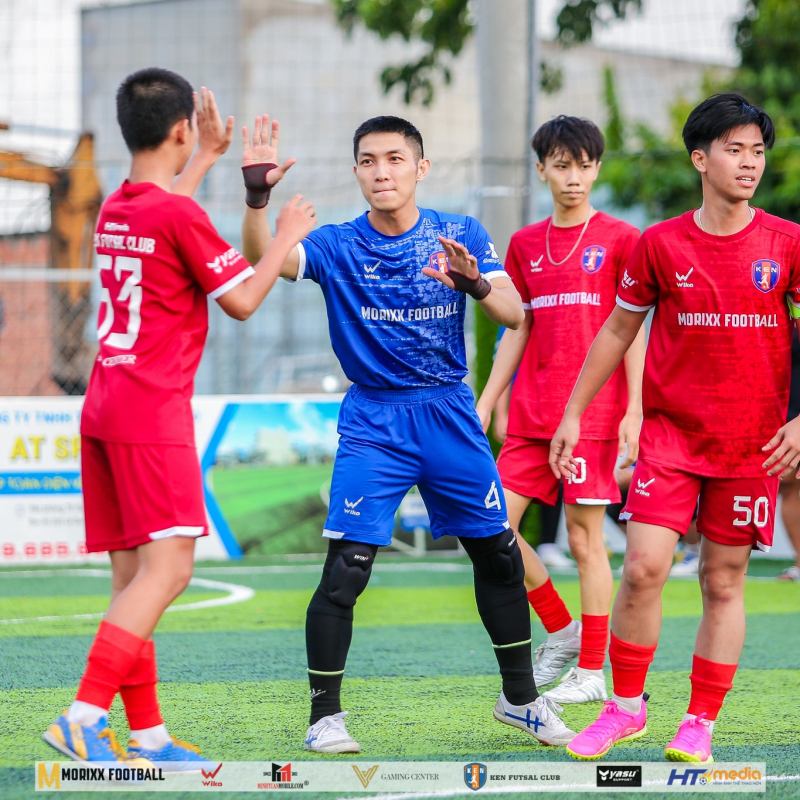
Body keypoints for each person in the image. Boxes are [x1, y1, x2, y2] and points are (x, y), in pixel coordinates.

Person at [241, 114, 575, 753]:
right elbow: (267, 257)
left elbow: (514, 314)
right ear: (357, 172)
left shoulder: (459, 233)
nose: (381, 171)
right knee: (347, 569)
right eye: (368, 161)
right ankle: (324, 717)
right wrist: (259, 199)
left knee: (499, 556)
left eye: (395, 159)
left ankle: (522, 702)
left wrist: (473, 280)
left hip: (448, 411)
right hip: (375, 418)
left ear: (420, 169)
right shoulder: (339, 244)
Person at [42, 67, 315, 765]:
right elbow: (244, 299)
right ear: (179, 128)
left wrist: (205, 159)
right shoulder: (176, 214)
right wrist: (284, 233)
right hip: (149, 413)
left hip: (104, 404)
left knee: (133, 581)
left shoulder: (121, 207)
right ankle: (82, 716)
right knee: (170, 572)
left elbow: (169, 216)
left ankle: (150, 736)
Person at [550, 93, 800, 763]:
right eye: (734, 149)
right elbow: (616, 329)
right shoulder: (659, 244)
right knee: (643, 567)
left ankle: (699, 723)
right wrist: (573, 413)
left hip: (753, 445)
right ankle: (626, 707)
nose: (749, 163)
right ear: (700, 158)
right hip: (671, 439)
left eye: (757, 152)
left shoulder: (788, 243)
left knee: (723, 581)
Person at [476, 116, 644, 704]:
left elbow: (631, 331)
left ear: (597, 168)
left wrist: (635, 410)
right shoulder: (524, 244)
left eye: (585, 164)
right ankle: (562, 630)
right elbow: (517, 329)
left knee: (584, 539)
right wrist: (489, 399)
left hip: (595, 416)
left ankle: (592, 671)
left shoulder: (624, 239)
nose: (575, 177)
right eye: (562, 164)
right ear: (542, 167)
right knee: (489, 523)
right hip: (531, 413)